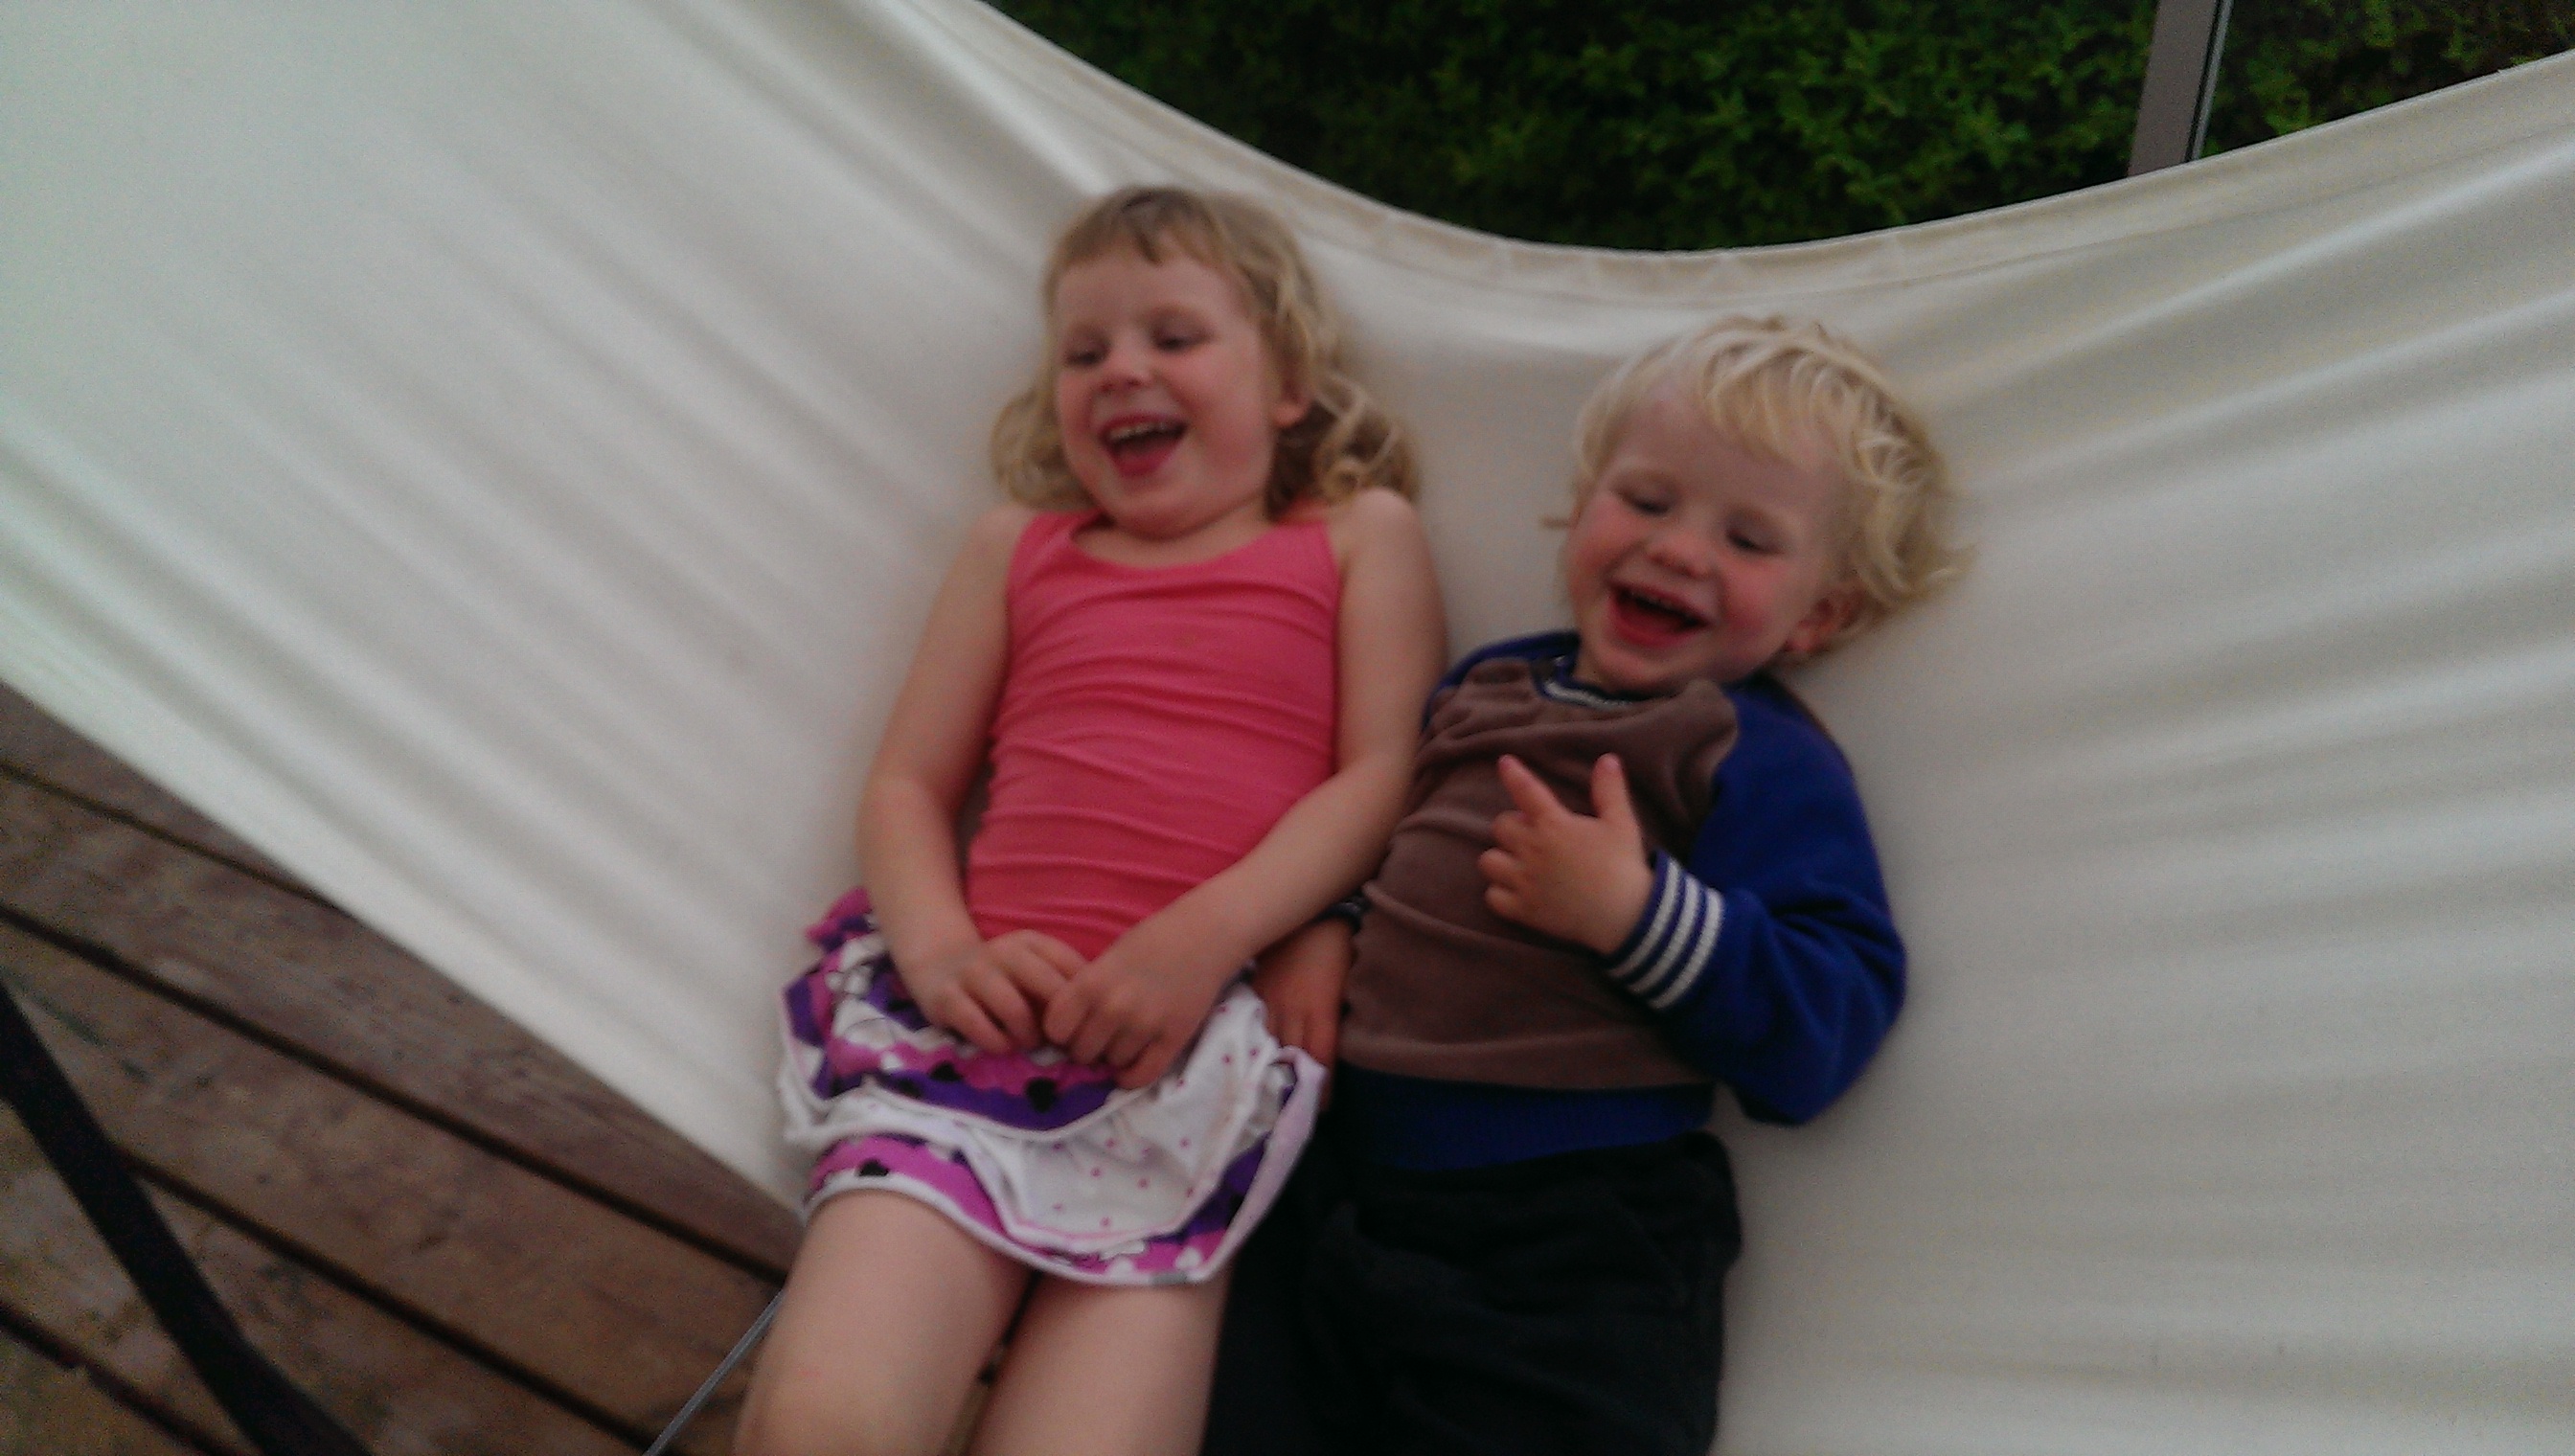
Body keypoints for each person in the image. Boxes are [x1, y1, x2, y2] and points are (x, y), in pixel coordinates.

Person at [735, 187, 1446, 1456]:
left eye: (1174, 337)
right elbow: (907, 787)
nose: (1121, 368)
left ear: (1289, 384)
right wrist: (941, 951)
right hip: (967, 1046)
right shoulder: (1019, 547)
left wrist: (1216, 933)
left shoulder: (1354, 539)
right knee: (822, 1424)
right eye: (1083, 350)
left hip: (1187, 1073)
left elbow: (1383, 773)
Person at [1201, 315, 1966, 1456]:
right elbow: (1396, 847)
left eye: (1747, 537)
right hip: (1341, 1181)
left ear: (1819, 613)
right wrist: (1329, 928)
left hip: (1571, 1234)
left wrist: (1639, 915)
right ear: (1583, 505)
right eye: (1646, 500)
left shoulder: (1754, 752)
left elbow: (1830, 1021)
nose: (1679, 549)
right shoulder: (1485, 682)